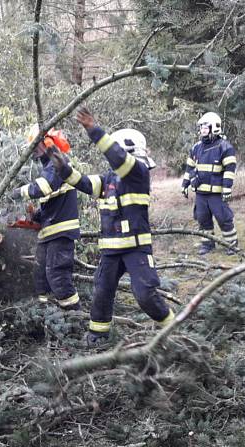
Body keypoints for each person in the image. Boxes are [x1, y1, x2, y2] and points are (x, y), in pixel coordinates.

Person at [45, 108, 174, 346]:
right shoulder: (109, 179)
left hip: (136, 249)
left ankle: (170, 328)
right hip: (111, 252)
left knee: (145, 293)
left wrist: (94, 130)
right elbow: (83, 183)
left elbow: (118, 158)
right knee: (102, 291)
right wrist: (63, 169)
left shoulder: (138, 173)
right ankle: (98, 336)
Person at [11, 125, 81, 310]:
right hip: (49, 232)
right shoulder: (47, 168)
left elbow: (44, 187)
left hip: (61, 232)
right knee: (40, 275)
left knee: (57, 275)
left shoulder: (59, 163)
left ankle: (73, 315)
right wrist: (35, 216)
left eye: (36, 145)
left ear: (46, 142)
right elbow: (51, 203)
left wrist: (19, 192)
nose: (33, 150)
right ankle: (46, 314)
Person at [181, 112, 237, 255]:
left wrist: (227, 189)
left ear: (215, 128)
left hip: (217, 194)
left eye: (205, 127)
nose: (202, 130)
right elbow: (190, 167)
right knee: (203, 220)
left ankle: (232, 245)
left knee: (224, 219)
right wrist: (185, 184)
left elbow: (230, 170)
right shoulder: (196, 147)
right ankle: (207, 244)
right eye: (201, 128)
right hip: (200, 193)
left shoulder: (225, 147)